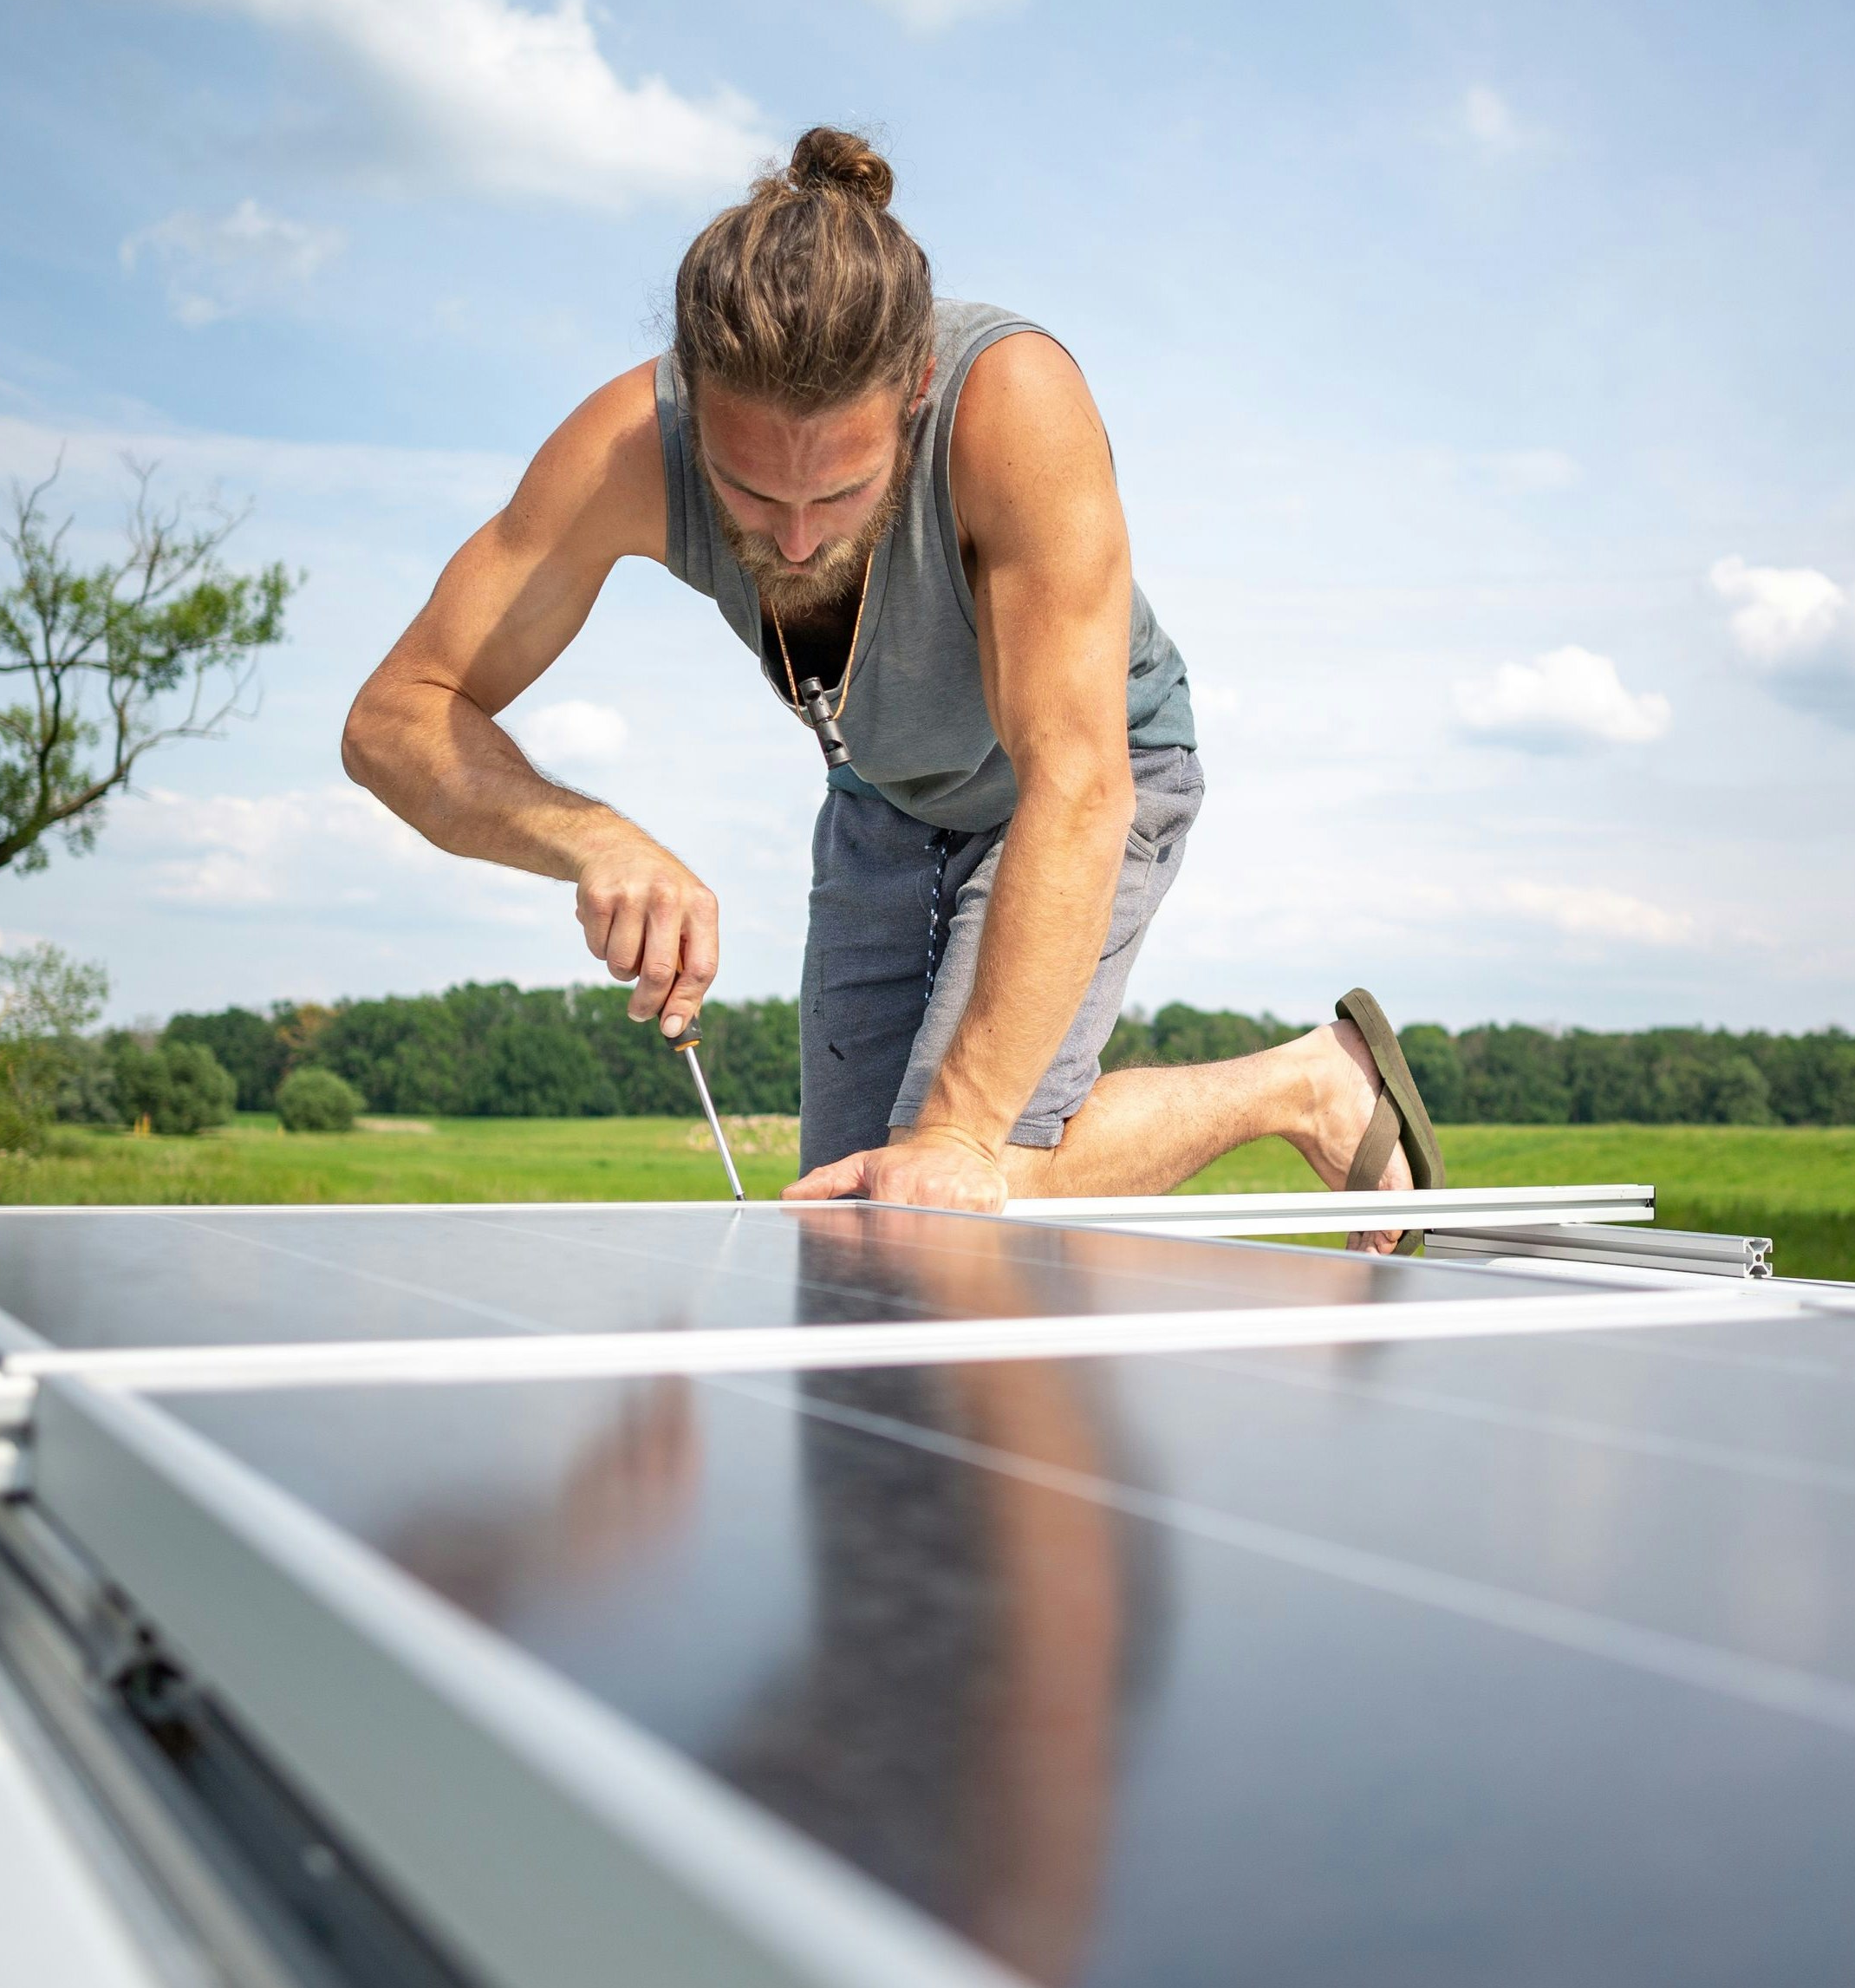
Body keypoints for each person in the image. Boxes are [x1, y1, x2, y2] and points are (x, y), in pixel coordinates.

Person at [343, 126, 1443, 1245]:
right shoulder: (629, 444)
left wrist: (963, 1135)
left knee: (948, 1196)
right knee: (851, 1229)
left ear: (912, 387)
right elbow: (395, 715)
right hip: (885, 800)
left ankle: (1302, 1083)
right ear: (694, 398)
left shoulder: (1013, 405)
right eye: (749, 493)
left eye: (842, 490)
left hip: (1082, 775)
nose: (799, 536)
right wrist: (594, 838)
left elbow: (1079, 787)